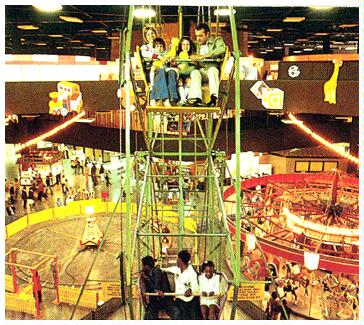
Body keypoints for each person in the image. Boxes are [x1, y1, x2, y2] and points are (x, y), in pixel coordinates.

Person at [188, 23, 226, 107]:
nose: (198, 38)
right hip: (202, 70)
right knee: (195, 72)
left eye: (201, 36)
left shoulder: (216, 41)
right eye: (197, 36)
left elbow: (221, 49)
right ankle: (196, 98)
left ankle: (214, 98)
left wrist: (204, 56)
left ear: (207, 34)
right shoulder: (196, 45)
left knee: (212, 70)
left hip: (212, 69)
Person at [163, 250, 201, 319]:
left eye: (177, 258)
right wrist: (161, 269)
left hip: (190, 299)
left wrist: (190, 290)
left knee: (190, 316)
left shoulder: (192, 273)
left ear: (180, 260)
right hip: (179, 298)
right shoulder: (177, 269)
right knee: (180, 314)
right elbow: (166, 269)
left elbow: (196, 288)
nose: (176, 260)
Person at [140, 256, 181, 320]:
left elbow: (157, 287)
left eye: (143, 265)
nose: (142, 267)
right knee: (149, 315)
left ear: (147, 266)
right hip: (155, 301)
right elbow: (149, 290)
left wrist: (148, 279)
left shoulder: (157, 271)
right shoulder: (146, 275)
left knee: (176, 312)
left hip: (165, 298)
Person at [176, 36, 196, 106]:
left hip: (188, 74)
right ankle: (183, 99)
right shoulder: (177, 55)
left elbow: (194, 66)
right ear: (180, 46)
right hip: (180, 74)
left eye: (188, 44)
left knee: (189, 80)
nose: (185, 46)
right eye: (183, 44)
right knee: (179, 80)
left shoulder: (193, 55)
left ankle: (183, 100)